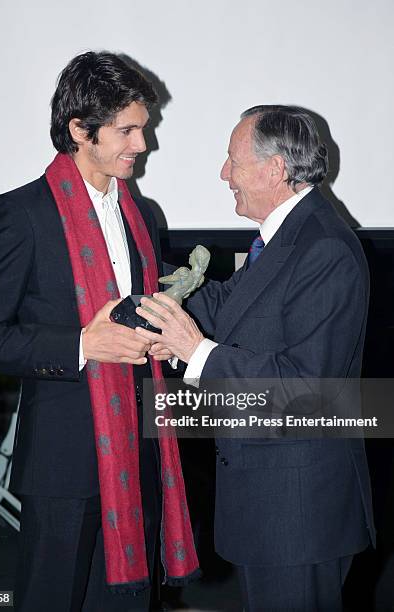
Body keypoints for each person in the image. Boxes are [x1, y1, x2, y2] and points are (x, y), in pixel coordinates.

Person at [0, 51, 198, 611]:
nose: (142, 144)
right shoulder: (23, 214)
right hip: (62, 470)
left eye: (144, 128)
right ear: (79, 130)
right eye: (127, 130)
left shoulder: (144, 214)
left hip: (139, 453)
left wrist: (159, 335)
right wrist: (81, 344)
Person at [135, 105, 375, 611]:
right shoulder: (289, 236)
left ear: (275, 170)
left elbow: (305, 390)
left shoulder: (323, 248)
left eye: (232, 161)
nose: (225, 174)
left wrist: (193, 350)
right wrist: (137, 265)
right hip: (273, 506)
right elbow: (228, 305)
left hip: (297, 515)